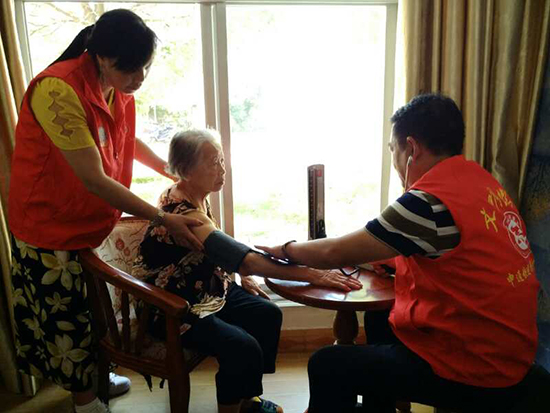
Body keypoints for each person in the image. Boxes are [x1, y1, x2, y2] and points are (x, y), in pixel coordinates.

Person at [258, 94, 540, 413]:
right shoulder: (482, 182)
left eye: (393, 150)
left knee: (327, 364)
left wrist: (286, 249)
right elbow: (460, 254)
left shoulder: (427, 202)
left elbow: (334, 252)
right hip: (509, 348)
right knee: (381, 321)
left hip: (476, 366)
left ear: (411, 148)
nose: (394, 161)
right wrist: (378, 256)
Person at [8, 9, 204, 413]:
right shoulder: (57, 91)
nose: (139, 78)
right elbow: (94, 179)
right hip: (49, 225)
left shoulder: (117, 86)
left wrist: (169, 170)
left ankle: (98, 377)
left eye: (145, 66)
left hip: (90, 222)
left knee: (97, 311)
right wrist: (162, 217)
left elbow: (125, 139)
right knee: (67, 321)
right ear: (101, 56)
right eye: (130, 68)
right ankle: (84, 402)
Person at [132, 129, 362, 413]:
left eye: (221, 160)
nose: (222, 169)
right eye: (213, 163)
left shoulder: (195, 194)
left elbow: (221, 249)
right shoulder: (183, 212)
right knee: (241, 347)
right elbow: (245, 259)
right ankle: (231, 406)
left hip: (205, 288)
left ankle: (247, 398)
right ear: (186, 171)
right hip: (172, 306)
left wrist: (240, 272)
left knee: (267, 314)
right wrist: (313, 274)